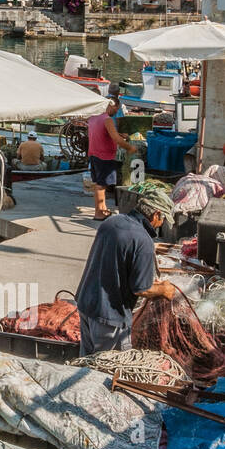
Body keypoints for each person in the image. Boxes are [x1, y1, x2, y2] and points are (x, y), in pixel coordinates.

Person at [75, 190, 178, 356]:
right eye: (163, 219)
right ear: (156, 214)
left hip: (86, 304)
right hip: (109, 318)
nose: (161, 224)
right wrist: (164, 289)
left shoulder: (112, 221)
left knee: (85, 363)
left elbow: (117, 265)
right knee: (105, 372)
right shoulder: (143, 241)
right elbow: (141, 289)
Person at [88, 98, 135, 220]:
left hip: (94, 154)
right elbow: (116, 139)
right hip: (104, 155)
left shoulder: (93, 118)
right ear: (110, 106)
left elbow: (105, 133)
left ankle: (103, 209)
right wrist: (130, 148)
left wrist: (120, 135)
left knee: (100, 184)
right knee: (101, 185)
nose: (116, 111)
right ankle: (98, 213)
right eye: (116, 108)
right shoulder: (107, 119)